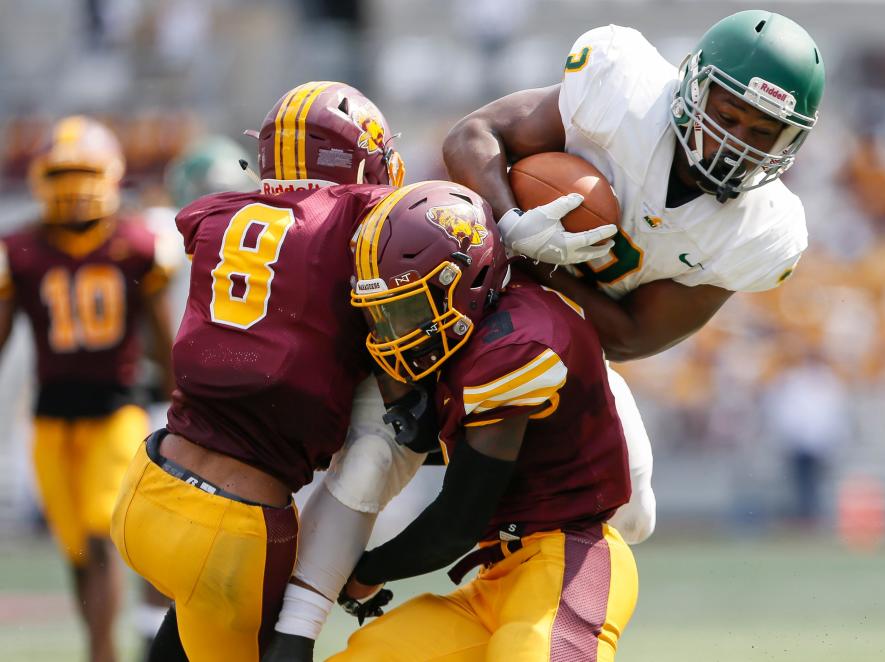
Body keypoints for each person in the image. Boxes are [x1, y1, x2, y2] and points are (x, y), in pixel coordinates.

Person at [442, 10, 826, 544]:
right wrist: (510, 222)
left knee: (632, 508)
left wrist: (535, 261)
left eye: (762, 132)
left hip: (570, 339)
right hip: (468, 289)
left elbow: (630, 336)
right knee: (380, 449)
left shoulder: (763, 231)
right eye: (729, 115)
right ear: (696, 86)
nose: (735, 143)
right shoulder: (622, 91)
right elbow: (472, 134)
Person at [110, 81, 417, 662]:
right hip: (232, 528)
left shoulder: (220, 212)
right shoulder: (360, 219)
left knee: (179, 637)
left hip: (147, 488)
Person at [325, 179, 637, 661]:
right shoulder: (474, 327)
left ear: (465, 282)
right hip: (494, 579)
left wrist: (366, 571)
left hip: (566, 562)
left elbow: (458, 522)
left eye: (405, 309)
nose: (393, 333)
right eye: (382, 315)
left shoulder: (516, 347)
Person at [0, 115, 177, 662]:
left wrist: (184, 403)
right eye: (63, 173)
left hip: (115, 410)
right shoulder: (21, 249)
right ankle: (101, 646)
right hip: (51, 416)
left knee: (101, 539)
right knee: (77, 549)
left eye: (83, 172)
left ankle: (105, 653)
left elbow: (161, 339)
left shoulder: (134, 244)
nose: (74, 187)